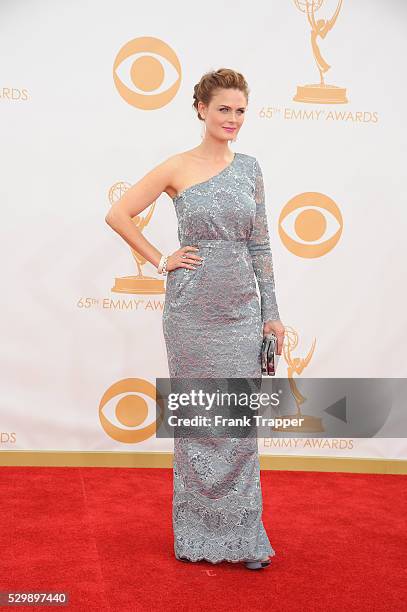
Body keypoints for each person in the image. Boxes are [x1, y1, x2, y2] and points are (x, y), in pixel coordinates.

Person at [105, 67, 285, 570]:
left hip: (242, 312)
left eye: (240, 110)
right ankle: (198, 536)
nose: (233, 118)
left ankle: (244, 539)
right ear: (201, 110)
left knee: (238, 423)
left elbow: (261, 244)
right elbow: (119, 213)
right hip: (191, 311)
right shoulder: (177, 166)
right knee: (198, 421)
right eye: (223, 108)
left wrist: (271, 316)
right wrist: (161, 257)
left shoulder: (250, 168)